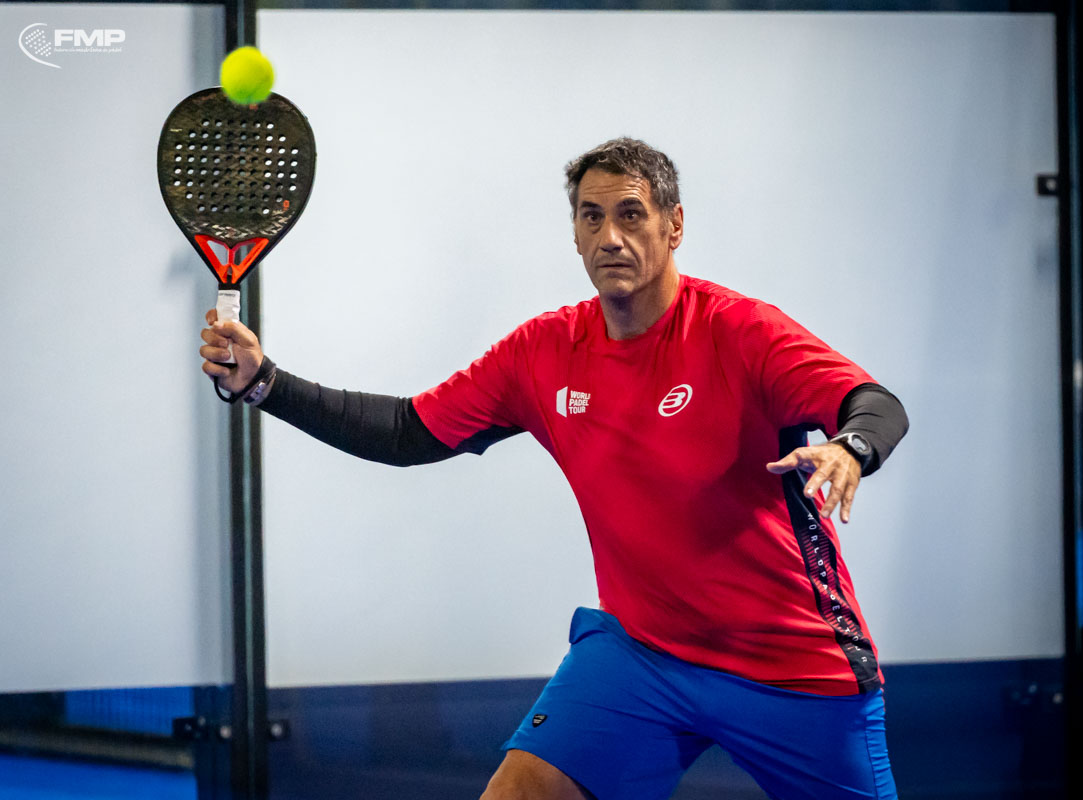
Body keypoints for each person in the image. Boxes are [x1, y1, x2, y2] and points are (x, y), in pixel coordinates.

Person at [200, 137, 908, 800]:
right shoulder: (543, 352)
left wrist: (850, 448)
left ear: (674, 226)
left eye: (631, 214)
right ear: (574, 233)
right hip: (643, 655)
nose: (611, 237)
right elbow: (409, 430)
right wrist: (264, 384)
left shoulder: (742, 331)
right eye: (591, 217)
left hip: (791, 665)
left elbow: (873, 404)